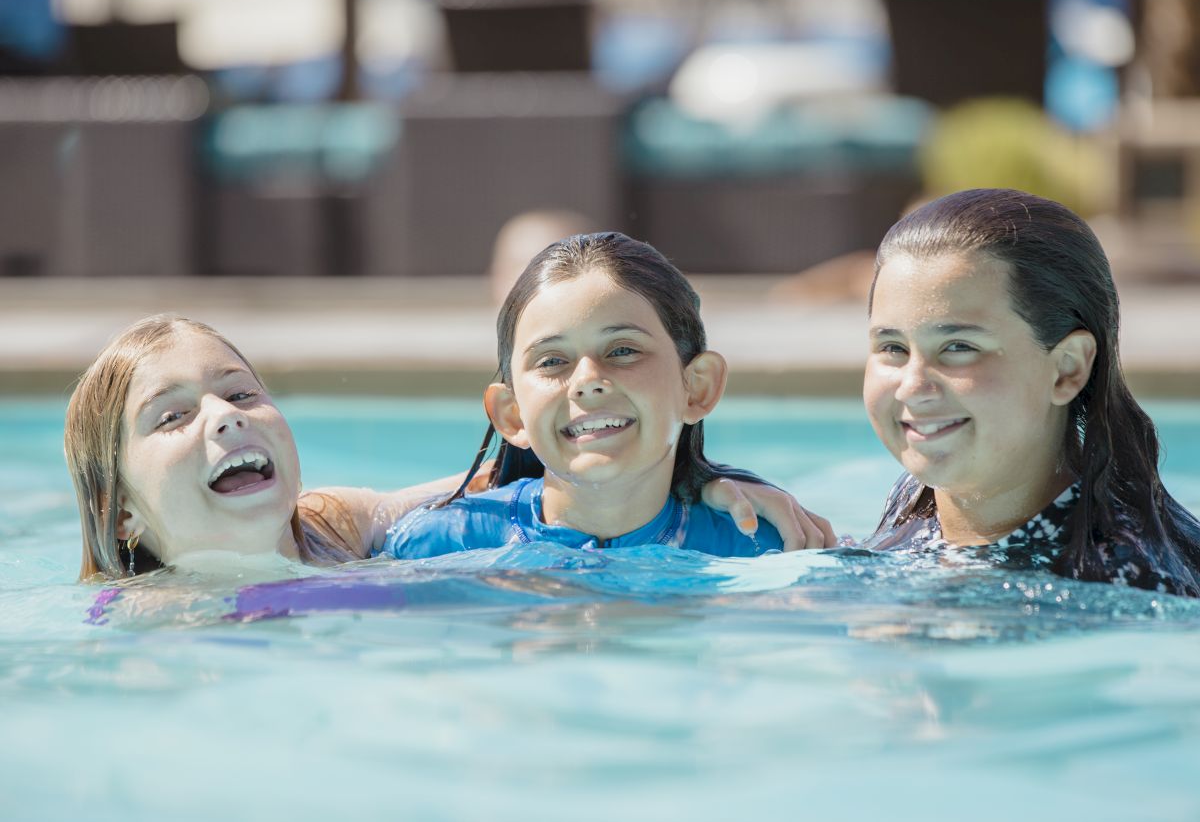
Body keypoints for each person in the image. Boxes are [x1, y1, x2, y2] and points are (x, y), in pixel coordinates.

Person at [67, 314, 821, 582]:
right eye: (171, 419)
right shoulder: (136, 640)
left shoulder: (337, 530)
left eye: (240, 393)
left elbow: (522, 469)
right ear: (121, 511)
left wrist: (702, 477)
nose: (223, 420)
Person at [380, 232, 836, 559]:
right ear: (512, 415)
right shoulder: (439, 545)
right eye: (552, 361)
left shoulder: (763, 547)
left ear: (697, 386)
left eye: (622, 350)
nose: (587, 380)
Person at [859, 188, 1200, 596]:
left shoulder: (1123, 581)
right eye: (893, 348)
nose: (913, 387)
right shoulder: (921, 497)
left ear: (1066, 370)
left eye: (959, 348)